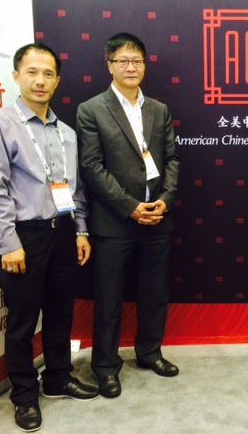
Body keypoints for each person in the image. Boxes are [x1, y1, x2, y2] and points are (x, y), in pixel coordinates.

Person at [0, 43, 99, 433]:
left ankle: (58, 378)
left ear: (57, 81)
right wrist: (8, 243)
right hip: (23, 238)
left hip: (62, 233)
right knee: (23, 322)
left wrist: (80, 230)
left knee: (61, 314)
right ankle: (24, 395)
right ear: (17, 76)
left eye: (48, 74)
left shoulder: (66, 133)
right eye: (31, 72)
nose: (40, 80)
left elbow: (74, 189)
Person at [76, 32, 180, 398]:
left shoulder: (159, 110)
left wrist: (165, 199)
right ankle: (105, 366)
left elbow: (172, 159)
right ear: (109, 65)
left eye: (137, 60)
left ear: (145, 65)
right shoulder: (91, 109)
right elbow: (91, 167)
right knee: (109, 298)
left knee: (155, 292)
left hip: (157, 218)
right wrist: (130, 207)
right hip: (115, 220)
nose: (131, 67)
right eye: (122, 60)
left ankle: (150, 353)